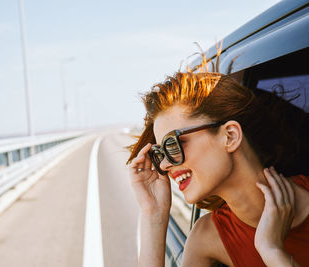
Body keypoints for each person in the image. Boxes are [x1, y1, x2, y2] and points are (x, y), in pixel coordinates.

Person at [127, 69, 309, 266]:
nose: (164, 164)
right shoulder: (207, 239)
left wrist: (272, 250)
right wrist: (153, 214)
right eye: (160, 153)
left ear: (230, 136)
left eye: (172, 144)